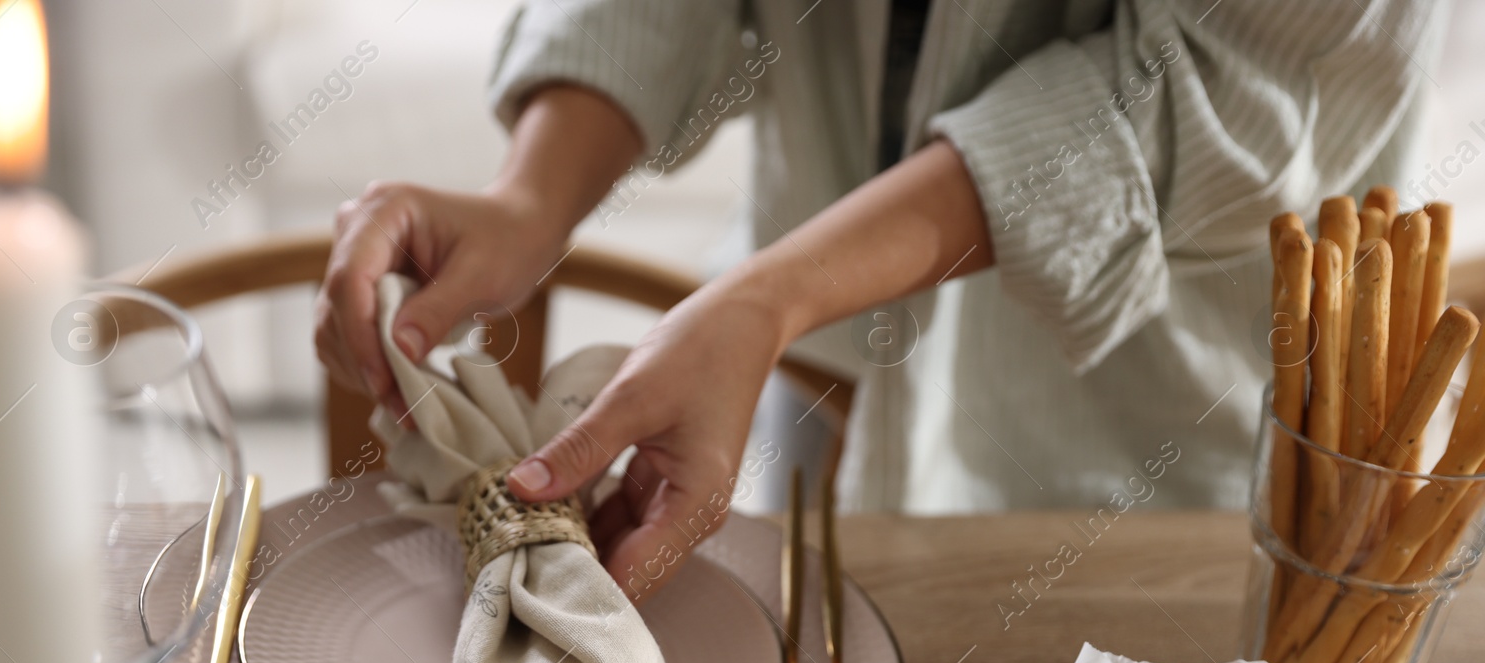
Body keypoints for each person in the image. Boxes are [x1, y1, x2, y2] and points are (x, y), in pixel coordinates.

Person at [315, 0, 1446, 601]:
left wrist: (767, 300)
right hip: (818, 384)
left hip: (1148, 446)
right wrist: (531, 195)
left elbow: (1213, 85)